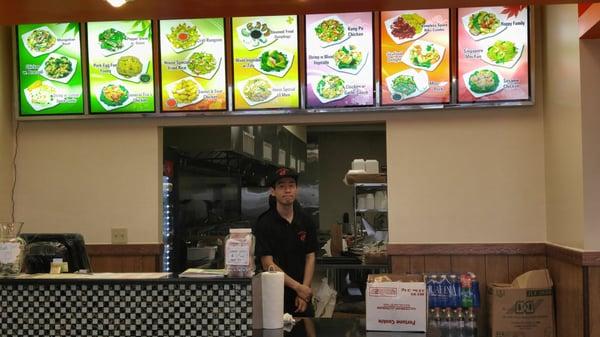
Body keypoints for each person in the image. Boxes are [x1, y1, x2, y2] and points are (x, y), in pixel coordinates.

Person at [254, 167, 319, 316]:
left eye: (291, 185)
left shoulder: (306, 220)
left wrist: (304, 290)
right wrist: (299, 288)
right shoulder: (264, 223)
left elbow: (310, 256)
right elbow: (267, 264)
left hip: (302, 297)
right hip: (275, 297)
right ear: (273, 191)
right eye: (281, 186)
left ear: (296, 189)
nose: (287, 190)